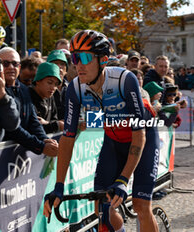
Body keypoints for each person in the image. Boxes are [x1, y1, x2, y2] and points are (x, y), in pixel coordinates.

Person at [43, 30, 160, 232]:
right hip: (113, 140)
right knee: (101, 206)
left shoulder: (125, 80)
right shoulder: (75, 88)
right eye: (75, 57)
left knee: (141, 206)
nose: (78, 64)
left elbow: (138, 134)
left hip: (143, 139)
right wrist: (59, 185)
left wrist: (123, 180)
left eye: (86, 57)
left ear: (104, 60)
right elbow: (68, 138)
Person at [0, 47, 58, 157]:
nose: (11, 67)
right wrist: (40, 146)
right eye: (5, 63)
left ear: (19, 67)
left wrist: (44, 139)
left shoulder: (24, 89)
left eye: (14, 64)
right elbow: (11, 128)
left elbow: (32, 120)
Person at [29, 62, 63, 133]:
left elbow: (54, 119)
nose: (53, 87)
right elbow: (35, 127)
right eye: (50, 82)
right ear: (38, 80)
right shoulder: (27, 96)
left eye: (56, 84)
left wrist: (48, 123)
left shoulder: (50, 95)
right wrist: (57, 125)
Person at [47, 49, 69, 120]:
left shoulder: (72, 88)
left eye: (62, 64)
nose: (59, 67)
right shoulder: (41, 89)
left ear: (66, 70)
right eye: (55, 64)